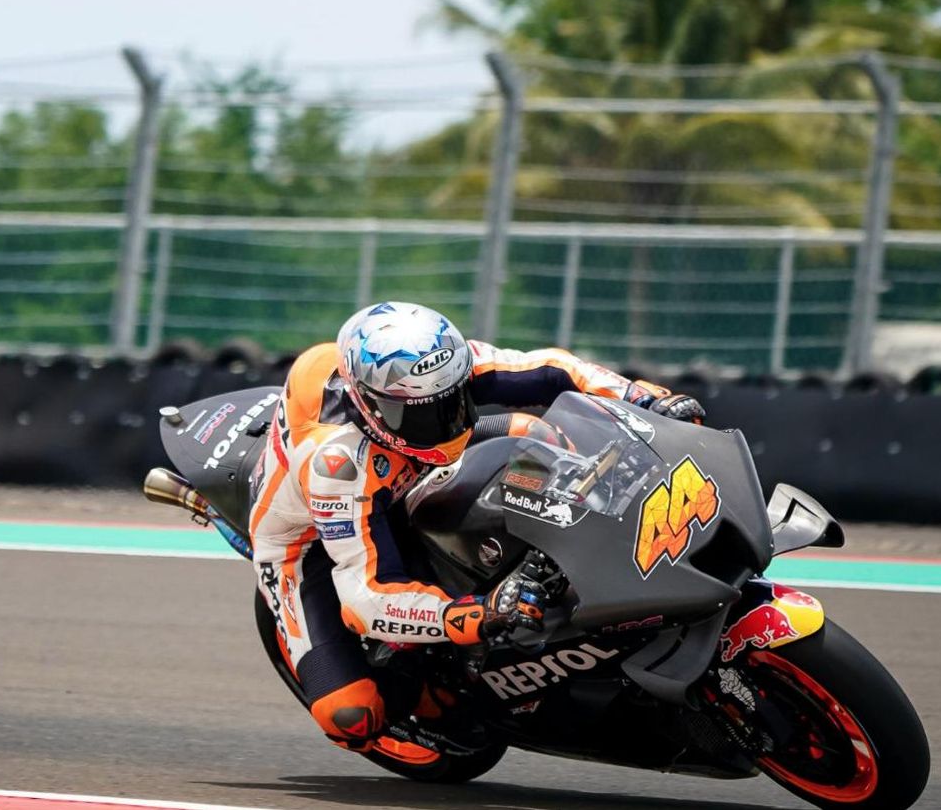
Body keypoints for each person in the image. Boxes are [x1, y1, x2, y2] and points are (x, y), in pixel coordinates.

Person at [249, 301, 705, 762]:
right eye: (421, 414)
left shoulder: (436, 364)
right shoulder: (337, 465)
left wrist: (644, 398)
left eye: (452, 401)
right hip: (311, 544)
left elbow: (551, 369)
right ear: (369, 406)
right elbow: (367, 598)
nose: (444, 421)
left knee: (540, 437)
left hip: (411, 470)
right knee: (350, 714)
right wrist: (478, 614)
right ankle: (427, 700)